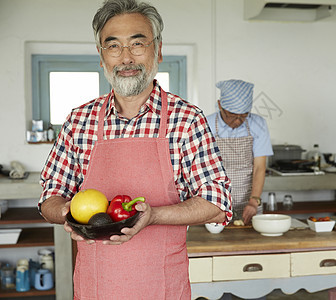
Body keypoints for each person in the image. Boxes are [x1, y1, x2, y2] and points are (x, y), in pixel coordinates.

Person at [38, 0, 232, 299]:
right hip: (96, 287)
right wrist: (66, 213)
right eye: (113, 46)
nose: (126, 57)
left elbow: (218, 204)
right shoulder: (79, 120)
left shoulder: (186, 119)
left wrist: (154, 216)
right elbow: (50, 195)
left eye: (137, 43)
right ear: (102, 58)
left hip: (162, 287)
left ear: (159, 50)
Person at [206, 80, 273, 225]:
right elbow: (200, 167)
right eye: (232, 115)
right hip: (213, 200)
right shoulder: (206, 124)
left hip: (248, 199)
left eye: (243, 115)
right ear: (220, 105)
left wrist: (254, 201)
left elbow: (259, 167)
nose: (237, 121)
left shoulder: (258, 124)